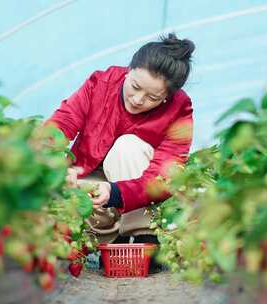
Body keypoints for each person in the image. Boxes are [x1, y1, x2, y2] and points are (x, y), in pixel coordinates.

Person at [46, 33, 195, 265]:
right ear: (129, 69)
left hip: (138, 191)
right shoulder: (101, 83)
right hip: (91, 182)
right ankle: (109, 243)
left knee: (127, 147)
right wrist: (53, 161)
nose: (137, 99)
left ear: (168, 97)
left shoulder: (179, 109)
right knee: (66, 218)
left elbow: (167, 173)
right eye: (134, 86)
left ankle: (142, 237)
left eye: (152, 97)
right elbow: (63, 122)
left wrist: (115, 192)